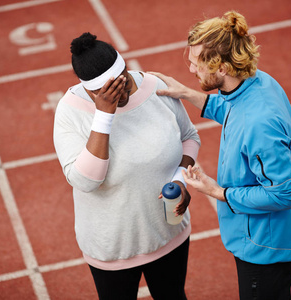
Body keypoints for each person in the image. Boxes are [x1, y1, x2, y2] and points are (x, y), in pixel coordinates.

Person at [150, 10, 291, 300]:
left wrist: (216, 191)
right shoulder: (258, 83)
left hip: (264, 248)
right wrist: (186, 93)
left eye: (197, 65)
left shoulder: (259, 124)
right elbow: (232, 110)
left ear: (221, 68)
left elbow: (284, 194)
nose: (190, 70)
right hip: (264, 238)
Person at [53, 32, 200, 300]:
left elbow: (189, 137)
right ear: (89, 90)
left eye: (125, 84)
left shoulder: (156, 87)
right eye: (108, 92)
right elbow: (87, 180)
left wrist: (180, 177)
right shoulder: (70, 111)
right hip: (113, 248)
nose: (122, 94)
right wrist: (103, 116)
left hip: (167, 233)